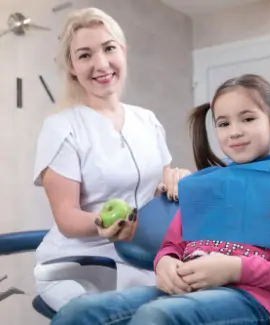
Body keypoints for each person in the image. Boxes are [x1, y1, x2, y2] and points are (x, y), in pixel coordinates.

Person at [49, 74, 270, 325]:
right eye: (224, 123)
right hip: (184, 292)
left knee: (155, 316)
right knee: (79, 312)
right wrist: (164, 263)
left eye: (248, 119)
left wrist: (232, 268)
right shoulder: (207, 186)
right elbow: (172, 246)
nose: (235, 131)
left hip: (249, 301)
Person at [33, 7, 190, 312]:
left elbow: (159, 189)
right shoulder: (62, 128)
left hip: (142, 259)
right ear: (72, 66)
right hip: (77, 265)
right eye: (85, 55)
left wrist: (175, 180)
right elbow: (66, 216)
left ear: (123, 52)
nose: (101, 64)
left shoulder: (148, 121)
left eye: (108, 49)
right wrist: (102, 223)